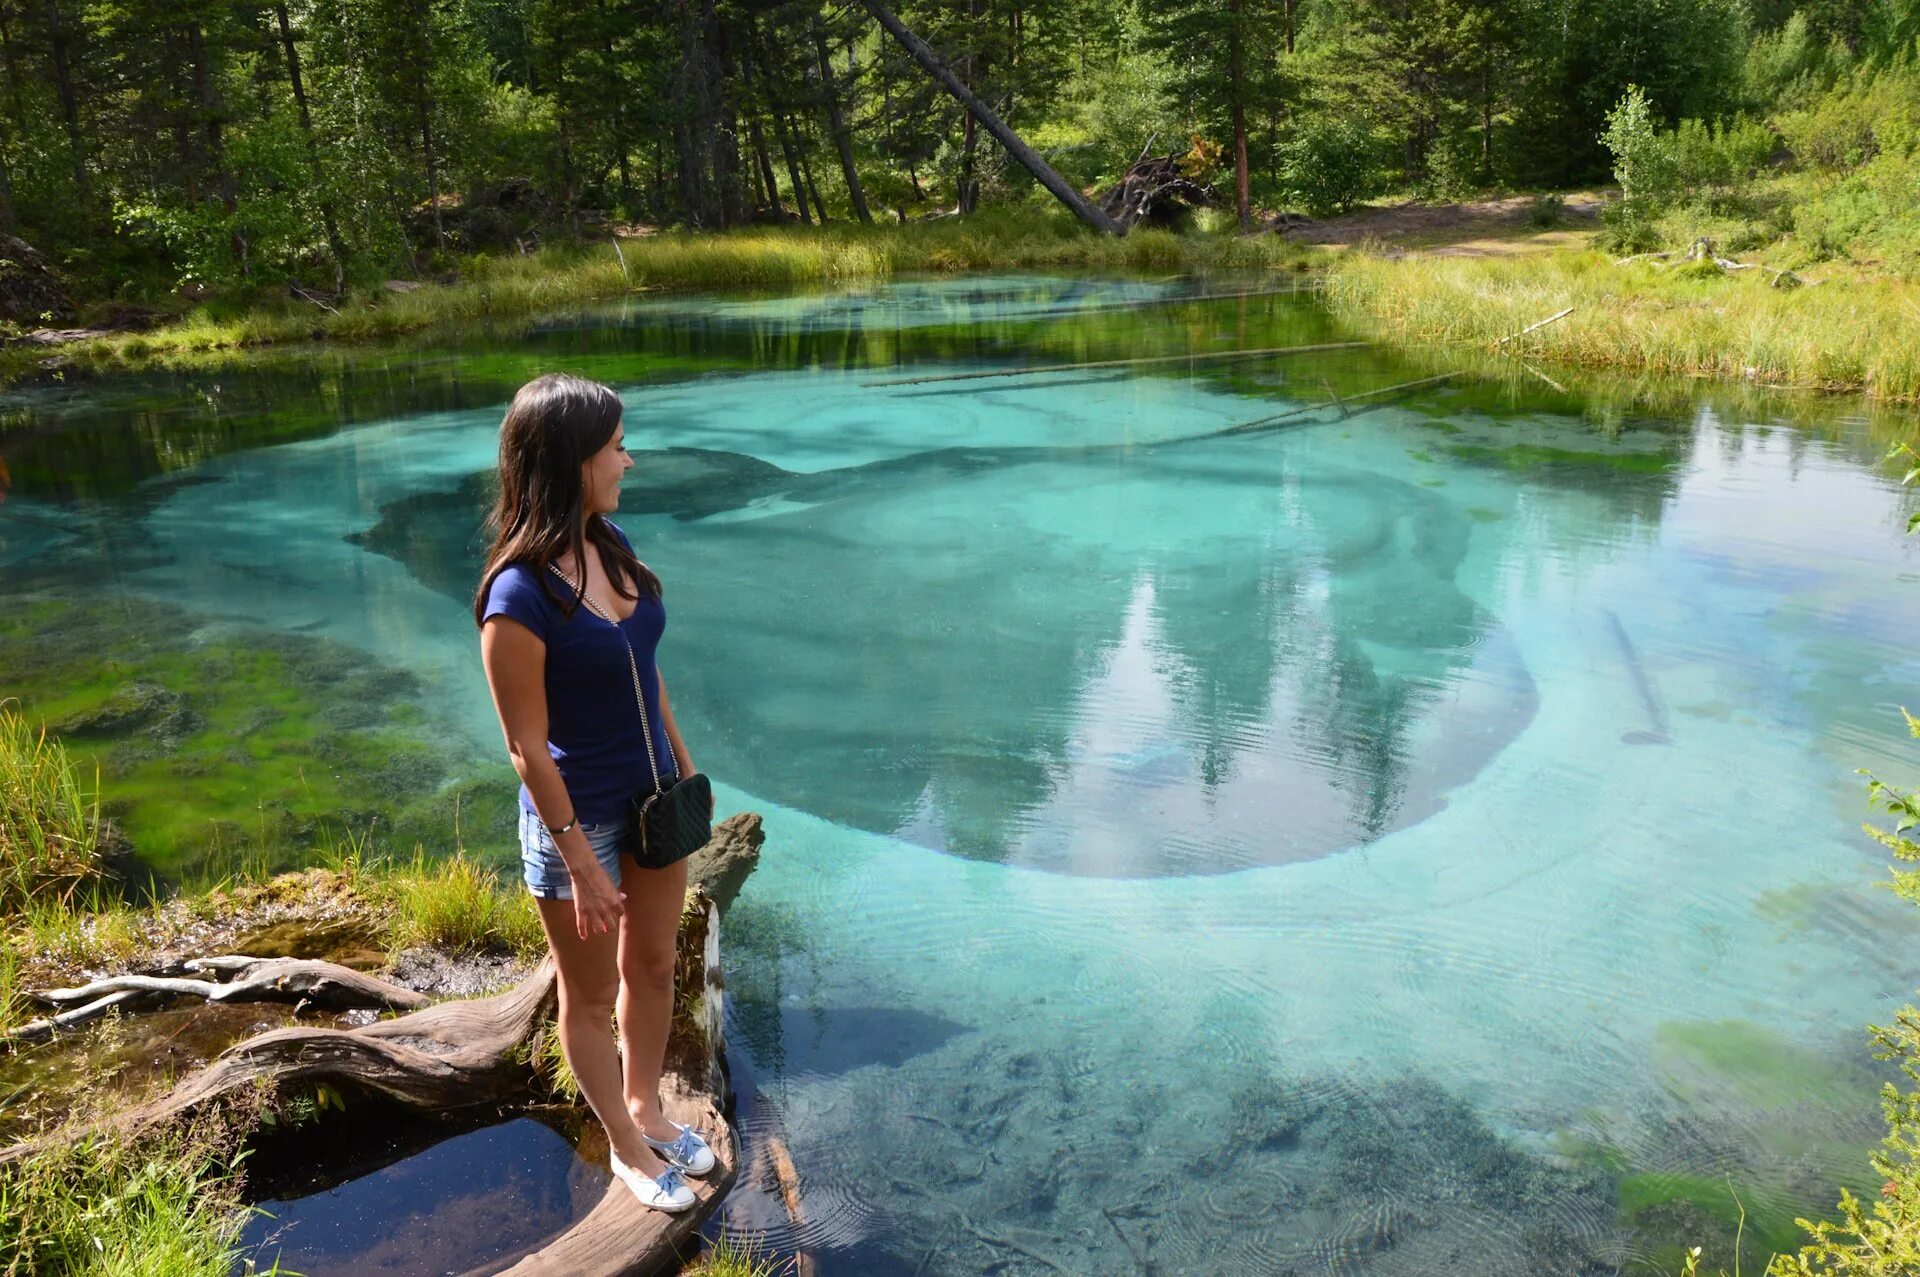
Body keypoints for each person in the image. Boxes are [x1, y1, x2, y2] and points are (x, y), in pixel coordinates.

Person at [473, 373, 715, 1213]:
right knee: (586, 992)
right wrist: (578, 859)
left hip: (653, 803)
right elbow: (523, 747)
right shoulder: (517, 596)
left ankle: (645, 1105)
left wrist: (683, 770)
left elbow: (650, 677)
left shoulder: (610, 546)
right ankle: (622, 1144)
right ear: (573, 459)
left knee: (652, 965)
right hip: (578, 821)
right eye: (615, 445)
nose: (628, 458)